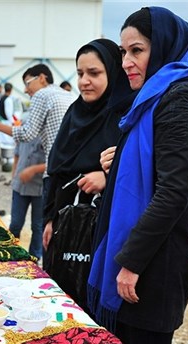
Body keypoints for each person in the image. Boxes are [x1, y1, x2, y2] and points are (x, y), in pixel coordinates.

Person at [86, 7, 188, 344]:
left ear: (163, 47)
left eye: (137, 50)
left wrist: (130, 261)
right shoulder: (159, 94)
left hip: (156, 262)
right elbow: (164, 170)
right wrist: (120, 162)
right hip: (149, 254)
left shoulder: (182, 97)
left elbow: (174, 191)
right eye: (123, 52)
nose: (126, 62)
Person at [43, 38, 133, 310]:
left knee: (92, 303)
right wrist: (50, 219)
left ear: (113, 72)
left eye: (94, 73)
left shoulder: (125, 117)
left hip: (102, 230)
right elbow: (55, 171)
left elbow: (141, 176)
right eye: (80, 73)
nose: (84, 81)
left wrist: (108, 178)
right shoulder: (74, 113)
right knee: (61, 301)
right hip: (65, 225)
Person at [0, 64, 75, 249]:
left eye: (28, 83)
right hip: (71, 173)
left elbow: (27, 134)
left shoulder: (42, 95)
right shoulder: (68, 96)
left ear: (42, 78)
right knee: (58, 228)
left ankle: (38, 261)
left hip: (53, 173)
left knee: (43, 227)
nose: (26, 90)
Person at [8, 137, 45, 259]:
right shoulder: (23, 132)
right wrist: (14, 177)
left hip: (40, 187)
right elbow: (17, 155)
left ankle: (34, 257)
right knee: (15, 223)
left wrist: (34, 169)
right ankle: (10, 253)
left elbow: (55, 162)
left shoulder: (51, 132)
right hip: (19, 186)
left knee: (37, 226)